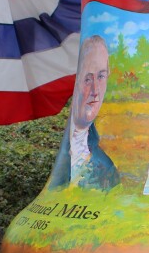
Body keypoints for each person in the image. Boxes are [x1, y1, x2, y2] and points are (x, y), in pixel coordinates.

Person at [48, 35, 120, 190]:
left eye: (101, 76)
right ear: (76, 81)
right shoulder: (69, 152)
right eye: (87, 79)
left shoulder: (107, 169)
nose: (95, 90)